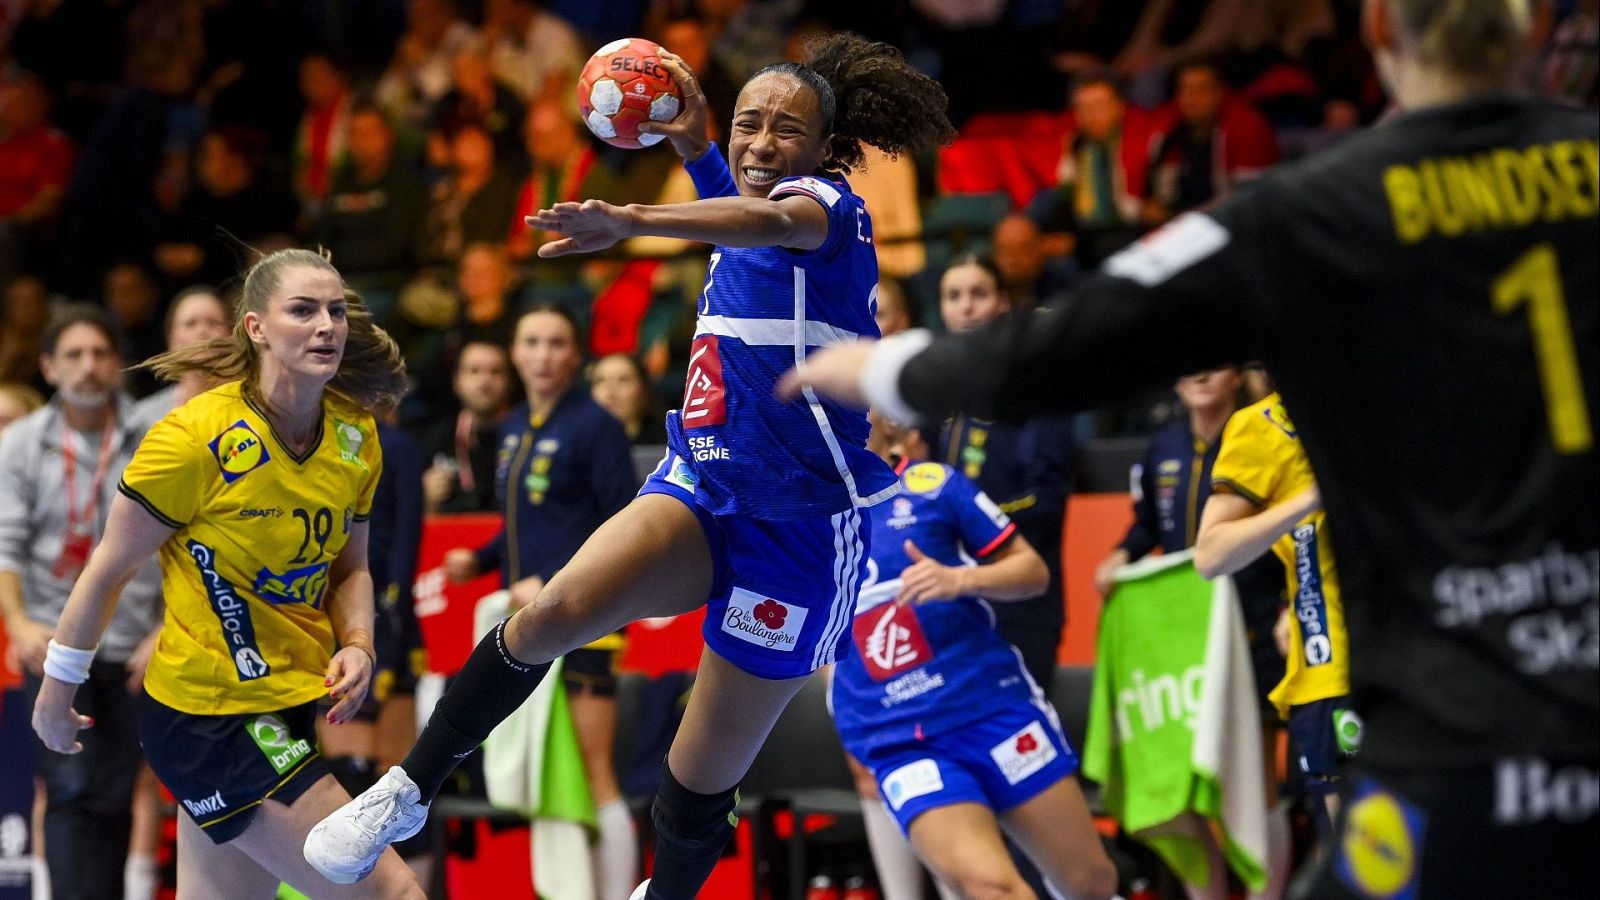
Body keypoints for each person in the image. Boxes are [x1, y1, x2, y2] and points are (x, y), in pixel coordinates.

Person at [783, 1, 1598, 895]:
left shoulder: (1313, 207)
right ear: (1538, 33)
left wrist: (894, 367)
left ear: (1376, 30)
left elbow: (1081, 337)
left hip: (1451, 735)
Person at [304, 33, 955, 900]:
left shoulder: (829, 213)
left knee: (692, 788)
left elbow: (763, 220)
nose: (761, 142)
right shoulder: (748, 199)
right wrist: (694, 143)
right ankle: (403, 796)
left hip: (798, 532)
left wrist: (632, 220)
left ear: (826, 148)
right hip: (704, 486)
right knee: (551, 612)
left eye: (786, 130)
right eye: (749, 123)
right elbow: (736, 205)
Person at [30, 248, 424, 898]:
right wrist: (55, 692)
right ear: (255, 328)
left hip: (286, 700)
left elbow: (352, 566)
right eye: (302, 310)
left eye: (334, 310)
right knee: (393, 892)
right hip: (210, 715)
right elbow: (108, 570)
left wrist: (359, 641)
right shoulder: (192, 440)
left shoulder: (356, 437)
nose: (325, 324)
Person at [836, 413, 1118, 900]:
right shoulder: (802, 516)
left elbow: (1032, 571)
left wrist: (961, 579)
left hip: (991, 708)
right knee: (992, 887)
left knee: (1092, 883)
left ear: (885, 417)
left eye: (854, 403)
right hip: (899, 738)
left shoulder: (935, 486)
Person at [437, 305, 641, 900]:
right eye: (532, 341)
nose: (544, 354)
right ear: (516, 354)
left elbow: (623, 523)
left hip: (588, 619)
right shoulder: (514, 424)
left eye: (557, 343)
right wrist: (481, 558)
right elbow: (526, 522)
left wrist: (551, 576)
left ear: (574, 356)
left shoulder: (594, 427)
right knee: (557, 775)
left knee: (591, 769)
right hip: (530, 624)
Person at [0, 305, 163, 900]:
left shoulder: (154, 437)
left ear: (119, 364)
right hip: (51, 642)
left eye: (99, 354)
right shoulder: (18, 443)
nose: (88, 367)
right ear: (47, 366)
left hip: (133, 642)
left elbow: (185, 543)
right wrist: (17, 623)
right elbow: (5, 546)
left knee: (117, 793)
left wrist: (168, 629)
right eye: (73, 355)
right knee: (68, 789)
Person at [1195, 389, 1357, 840]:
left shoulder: (1404, 401)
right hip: (1335, 673)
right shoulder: (1264, 425)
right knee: (1366, 863)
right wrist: (1308, 499)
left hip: (1425, 661)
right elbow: (1210, 555)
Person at [931, 255, 1075, 694]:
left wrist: (966, 526)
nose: (966, 307)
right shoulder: (932, 395)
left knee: (1024, 744)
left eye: (980, 294)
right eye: (954, 296)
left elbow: (1047, 501)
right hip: (946, 596)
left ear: (1004, 304)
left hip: (1021, 596)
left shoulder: (1034, 393)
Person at [421, 340, 514, 514]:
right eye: (474, 371)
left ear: (509, 381)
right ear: (456, 381)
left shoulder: (524, 435)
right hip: (453, 537)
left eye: (495, 372)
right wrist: (427, 499)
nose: (484, 381)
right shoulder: (438, 437)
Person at [133, 285, 233, 425]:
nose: (202, 331)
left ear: (230, 335)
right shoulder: (144, 419)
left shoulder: (252, 404)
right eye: (190, 324)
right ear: (171, 338)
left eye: (213, 323)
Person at [590, 351, 668, 445]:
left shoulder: (669, 443)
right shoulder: (579, 444)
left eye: (623, 380)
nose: (610, 390)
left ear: (643, 389)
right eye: (601, 380)